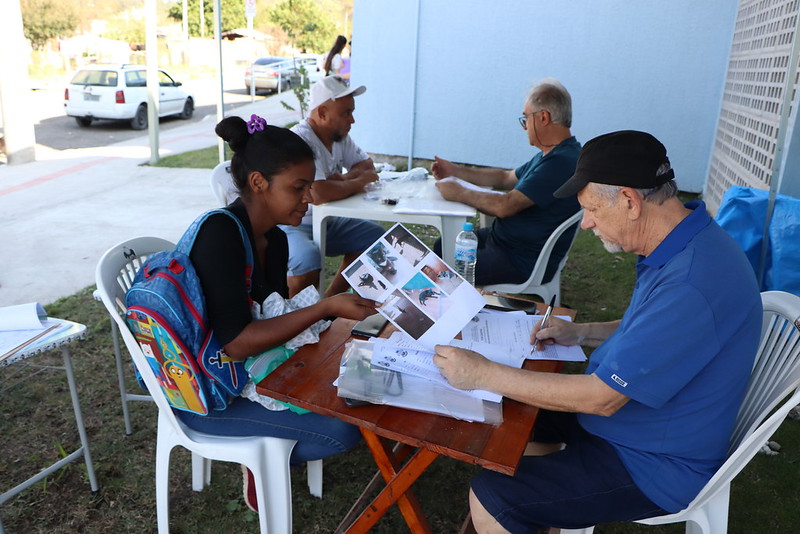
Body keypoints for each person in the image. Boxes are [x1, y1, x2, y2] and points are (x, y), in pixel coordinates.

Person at [433, 130, 763, 533]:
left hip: (653, 462)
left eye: (591, 209)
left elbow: (603, 399)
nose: (586, 223)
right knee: (508, 414)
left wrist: (482, 373)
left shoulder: (692, 282)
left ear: (629, 201)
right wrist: (582, 333)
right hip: (636, 428)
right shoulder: (683, 241)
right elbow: (653, 330)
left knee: (493, 500)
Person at [179, 114, 377, 513]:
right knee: (342, 430)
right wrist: (326, 306)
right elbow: (236, 344)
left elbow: (272, 317)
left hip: (248, 370)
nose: (309, 198)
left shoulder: (272, 238)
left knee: (357, 381)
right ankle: (260, 457)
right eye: (298, 187)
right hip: (207, 391)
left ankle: (271, 443)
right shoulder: (221, 236)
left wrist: (336, 305)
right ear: (258, 183)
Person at [431, 79, 581, 286]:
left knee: (443, 266)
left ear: (543, 117)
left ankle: (455, 311)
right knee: (443, 246)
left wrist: (458, 192)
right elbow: (505, 177)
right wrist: (455, 171)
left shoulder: (561, 162)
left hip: (521, 259)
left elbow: (505, 206)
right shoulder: (551, 154)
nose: (525, 126)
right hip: (504, 242)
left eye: (525, 118)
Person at [286, 75, 385, 297]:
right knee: (307, 259)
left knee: (377, 241)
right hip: (292, 223)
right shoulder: (301, 140)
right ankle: (293, 320)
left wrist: (340, 182)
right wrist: (356, 181)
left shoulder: (338, 136)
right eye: (346, 113)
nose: (352, 120)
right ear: (322, 113)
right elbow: (319, 193)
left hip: (326, 220)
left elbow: (369, 168)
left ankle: (328, 304)